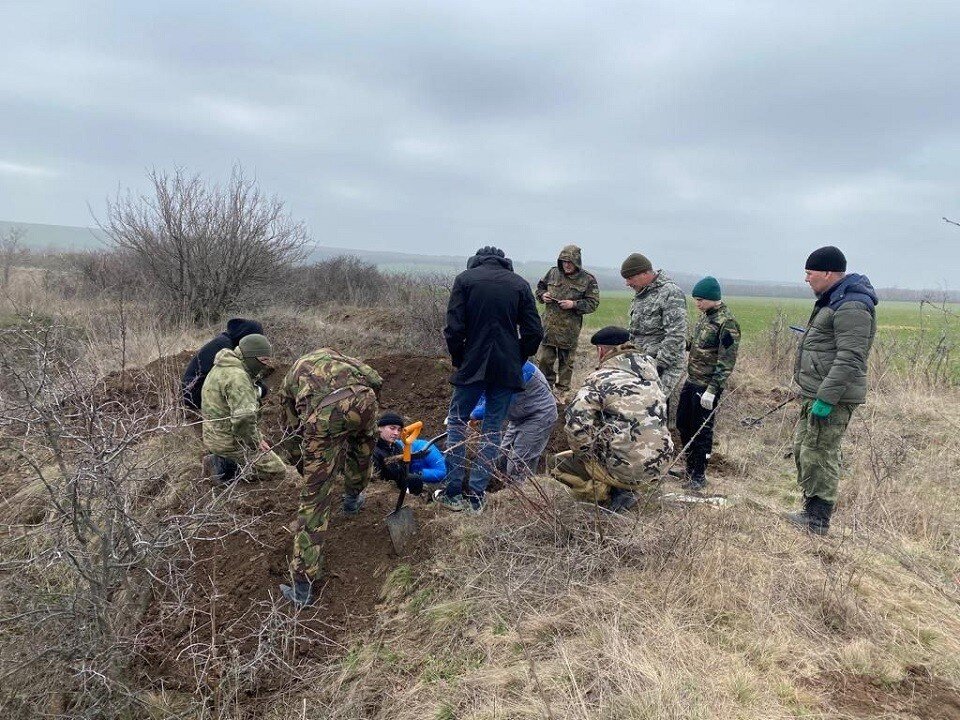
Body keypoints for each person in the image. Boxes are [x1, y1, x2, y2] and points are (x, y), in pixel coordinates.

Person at [276, 348, 383, 607]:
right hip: (364, 399)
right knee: (361, 455)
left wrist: (306, 469)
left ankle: (303, 587)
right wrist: (364, 418)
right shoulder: (341, 357)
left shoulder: (290, 381)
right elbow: (376, 380)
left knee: (315, 500)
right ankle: (352, 498)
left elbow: (290, 433)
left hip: (324, 415)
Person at [439, 246, 543, 513]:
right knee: (493, 431)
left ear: (476, 261)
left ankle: (452, 494)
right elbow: (534, 332)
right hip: (506, 368)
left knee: (457, 424)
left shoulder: (465, 280)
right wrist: (515, 358)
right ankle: (476, 496)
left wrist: (461, 359)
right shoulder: (519, 284)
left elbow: (454, 329)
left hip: (472, 363)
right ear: (504, 262)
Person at [785, 247, 877, 536]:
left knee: (820, 452)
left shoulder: (852, 306)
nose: (806, 279)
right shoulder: (834, 300)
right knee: (805, 449)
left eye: (810, 273)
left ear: (827, 273)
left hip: (832, 397)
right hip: (818, 391)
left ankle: (818, 520)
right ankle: (810, 509)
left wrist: (826, 398)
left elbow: (850, 357)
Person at [548, 326, 672, 512]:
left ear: (601, 350)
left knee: (556, 463)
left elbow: (576, 426)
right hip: (660, 465)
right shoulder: (653, 375)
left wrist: (587, 456)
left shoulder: (600, 378)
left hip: (625, 469)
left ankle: (611, 493)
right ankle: (637, 487)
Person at [676, 277, 741, 490]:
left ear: (713, 299)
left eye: (700, 300)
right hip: (692, 380)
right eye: (696, 300)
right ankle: (688, 466)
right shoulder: (705, 318)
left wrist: (712, 390)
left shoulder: (727, 323)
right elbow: (696, 346)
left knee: (702, 430)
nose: (697, 304)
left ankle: (699, 474)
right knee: (683, 424)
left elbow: (726, 360)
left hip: (707, 386)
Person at [200, 333, 288, 484]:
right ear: (251, 356)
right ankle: (225, 470)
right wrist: (255, 442)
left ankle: (220, 458)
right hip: (229, 442)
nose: (267, 365)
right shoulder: (239, 378)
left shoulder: (222, 366)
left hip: (212, 436)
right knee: (278, 470)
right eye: (263, 360)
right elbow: (244, 419)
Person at [469, 360, 558, 481]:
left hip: (539, 415)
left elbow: (499, 403)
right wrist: (473, 410)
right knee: (501, 456)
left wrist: (472, 414)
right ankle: (499, 489)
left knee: (519, 463)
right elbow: (483, 392)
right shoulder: (490, 364)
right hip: (518, 416)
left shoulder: (518, 368)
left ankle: (520, 494)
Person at [535, 245, 600, 403]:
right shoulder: (552, 273)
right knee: (544, 360)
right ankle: (545, 391)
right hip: (549, 327)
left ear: (577, 262)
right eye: (563, 261)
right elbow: (539, 288)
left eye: (570, 262)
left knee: (566, 364)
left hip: (569, 330)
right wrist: (543, 296)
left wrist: (574, 305)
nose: (567, 265)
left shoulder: (588, 279)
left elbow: (593, 303)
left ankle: (562, 395)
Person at [621, 253, 688, 400]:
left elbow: (676, 335)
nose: (627, 283)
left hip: (662, 366)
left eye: (630, 278)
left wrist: (658, 365)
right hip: (642, 361)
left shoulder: (670, 292)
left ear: (645, 273)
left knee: (652, 406)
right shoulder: (642, 293)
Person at [182, 318, 264, 414]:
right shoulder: (224, 346)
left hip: (198, 390)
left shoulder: (228, 342)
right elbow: (236, 377)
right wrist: (257, 390)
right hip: (194, 394)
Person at [373, 411, 447, 494]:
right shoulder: (373, 450)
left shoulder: (396, 447)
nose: (396, 433)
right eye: (392, 428)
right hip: (386, 491)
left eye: (399, 430)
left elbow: (403, 472)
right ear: (380, 428)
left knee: (415, 480)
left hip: (400, 486)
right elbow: (377, 481)